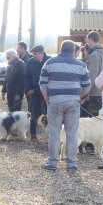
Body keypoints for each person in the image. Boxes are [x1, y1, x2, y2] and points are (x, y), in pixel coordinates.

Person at [39, 40, 90, 171]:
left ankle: (52, 163)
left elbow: (42, 83)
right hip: (73, 102)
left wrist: (47, 99)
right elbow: (87, 85)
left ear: (61, 49)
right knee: (72, 133)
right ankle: (71, 163)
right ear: (73, 51)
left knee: (54, 133)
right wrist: (80, 98)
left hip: (54, 102)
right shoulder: (81, 65)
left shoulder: (49, 63)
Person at [24, 45, 49, 140]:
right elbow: (26, 77)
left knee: (49, 114)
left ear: (41, 53)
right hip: (33, 93)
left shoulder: (49, 61)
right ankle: (33, 133)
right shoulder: (30, 62)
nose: (33, 56)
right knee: (34, 113)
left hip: (47, 92)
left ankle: (49, 133)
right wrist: (28, 89)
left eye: (35, 54)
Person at [82, 31, 103, 117]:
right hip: (101, 93)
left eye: (87, 41)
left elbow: (91, 77)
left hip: (93, 95)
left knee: (90, 125)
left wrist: (83, 95)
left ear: (90, 40)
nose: (87, 43)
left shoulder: (94, 55)